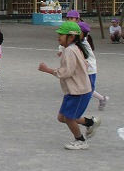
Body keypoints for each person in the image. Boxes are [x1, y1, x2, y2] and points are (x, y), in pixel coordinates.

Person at [38, 21, 95, 149]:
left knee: (69, 118)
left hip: (79, 91)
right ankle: (90, 122)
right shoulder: (73, 49)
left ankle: (80, 140)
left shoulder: (70, 50)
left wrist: (47, 69)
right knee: (62, 117)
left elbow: (66, 72)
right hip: (73, 90)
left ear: (71, 37)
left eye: (62, 35)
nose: (58, 37)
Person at [78, 21, 109, 113]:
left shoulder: (82, 41)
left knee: (88, 89)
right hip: (84, 67)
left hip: (90, 68)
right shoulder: (80, 40)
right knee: (84, 87)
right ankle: (102, 99)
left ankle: (102, 99)